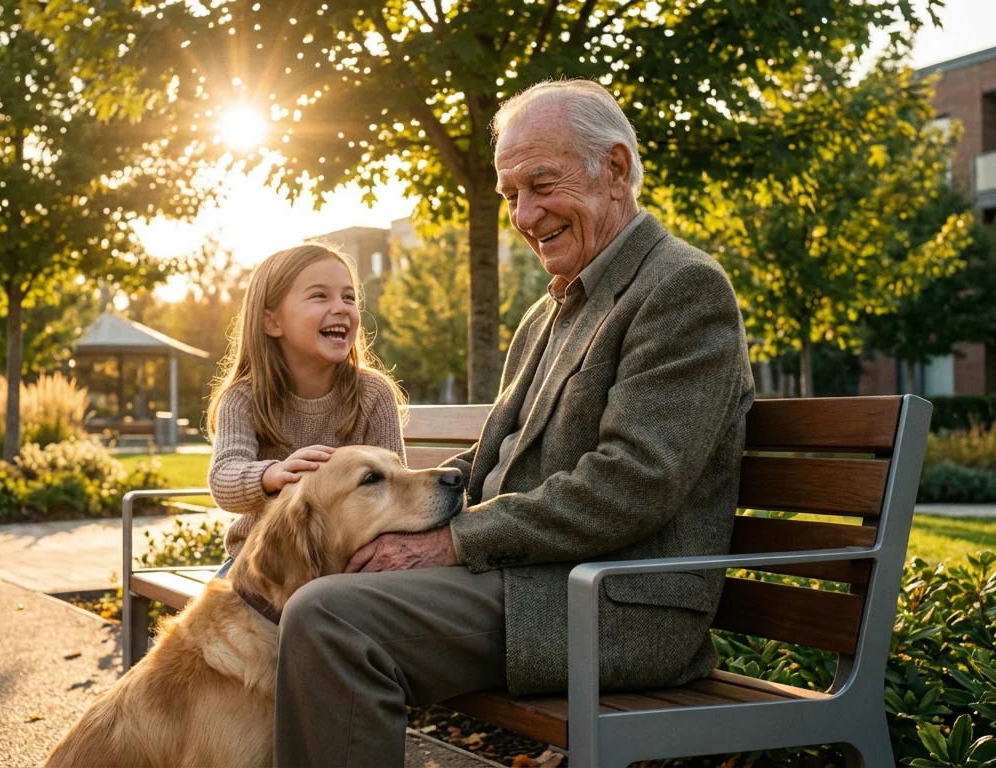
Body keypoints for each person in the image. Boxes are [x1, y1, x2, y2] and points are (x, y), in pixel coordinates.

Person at [273, 79, 755, 766]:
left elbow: (634, 481)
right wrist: (415, 514)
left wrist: (454, 541)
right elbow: (490, 455)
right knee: (316, 590)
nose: (526, 215)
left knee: (330, 620)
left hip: (612, 606)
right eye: (510, 197)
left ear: (614, 171)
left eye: (542, 185)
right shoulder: (549, 310)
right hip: (532, 583)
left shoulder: (681, 288)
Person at [206, 243, 407, 574]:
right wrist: (271, 476)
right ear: (272, 322)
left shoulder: (373, 394)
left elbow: (394, 485)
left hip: (345, 564)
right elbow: (224, 478)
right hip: (262, 565)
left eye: (349, 297)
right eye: (319, 296)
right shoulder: (244, 397)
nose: (341, 308)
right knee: (216, 621)